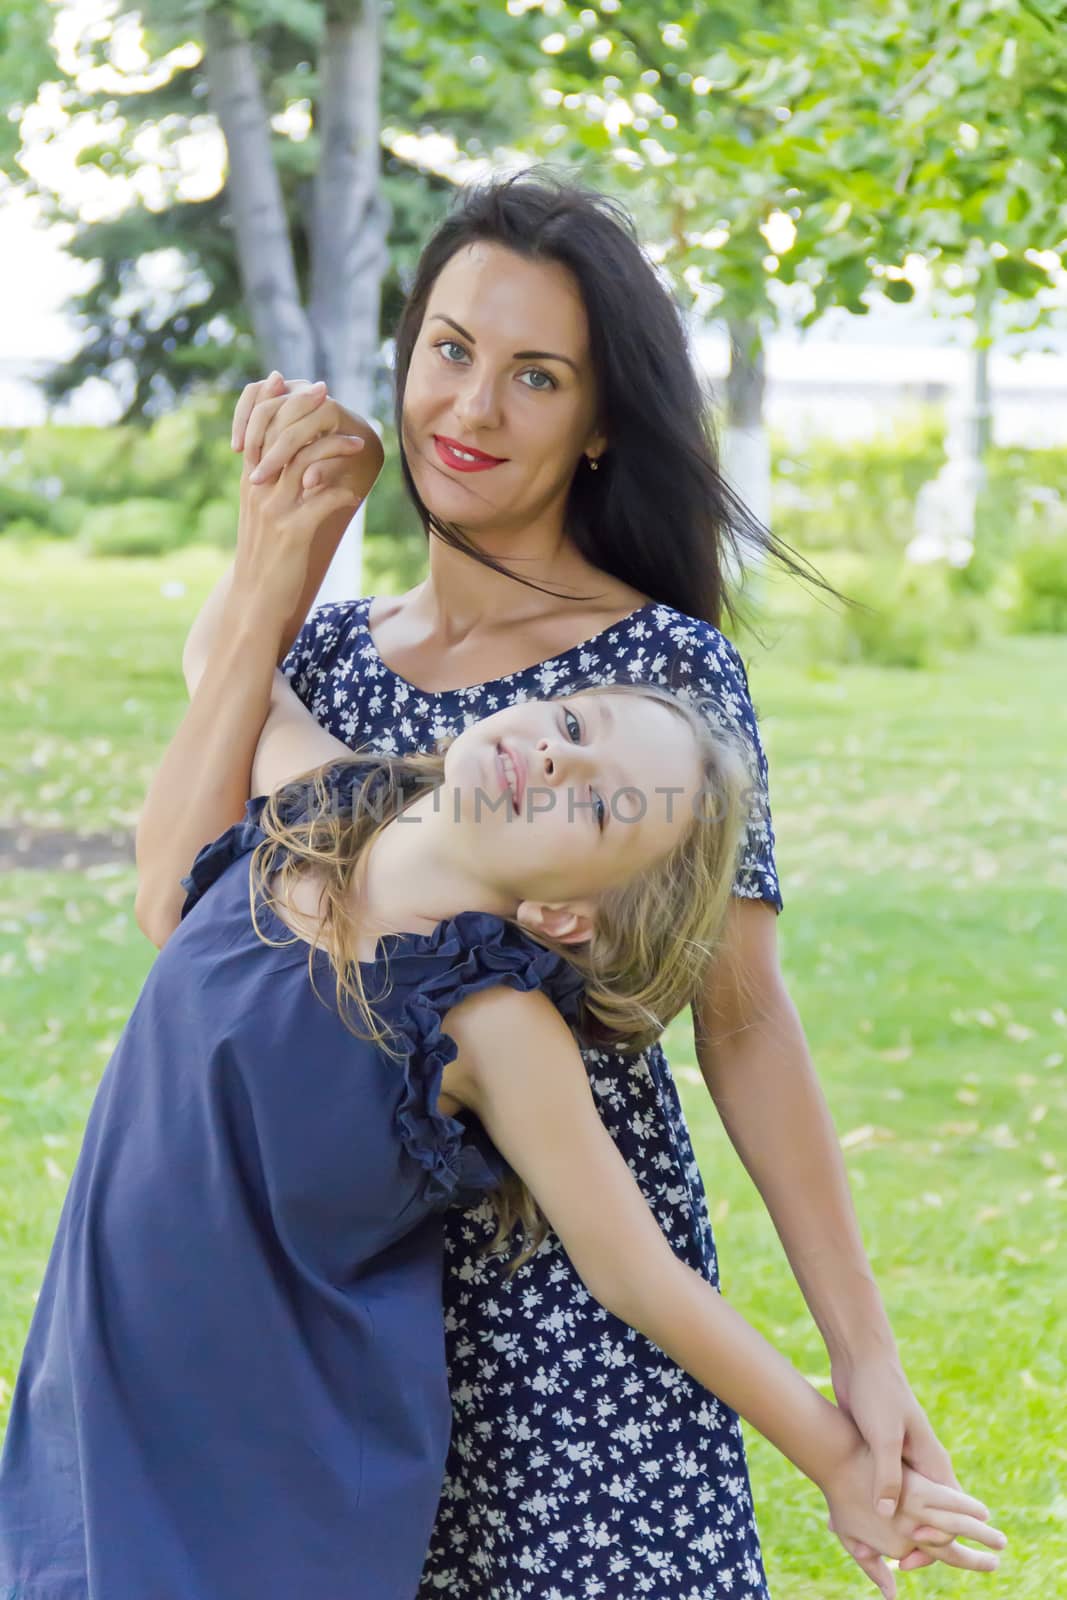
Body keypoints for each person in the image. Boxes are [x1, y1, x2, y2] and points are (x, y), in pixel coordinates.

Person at [134, 171, 979, 1599]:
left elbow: (746, 1019)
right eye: (451, 351)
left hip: (573, 1321)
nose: (470, 412)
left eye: (536, 378)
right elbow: (180, 910)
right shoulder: (328, 656)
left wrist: (865, 1356)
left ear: (598, 425)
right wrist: (272, 565)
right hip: (325, 1309)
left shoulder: (658, 679)